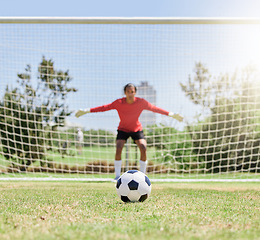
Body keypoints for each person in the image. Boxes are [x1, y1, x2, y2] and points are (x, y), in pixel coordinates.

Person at [75, 83, 183, 180]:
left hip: (136, 129)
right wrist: (86, 111)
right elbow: (104, 107)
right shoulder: (119, 102)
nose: (130, 93)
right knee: (118, 147)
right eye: (128, 91)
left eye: (132, 91)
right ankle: (117, 176)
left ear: (135, 92)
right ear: (125, 93)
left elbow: (155, 109)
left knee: (143, 147)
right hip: (123, 129)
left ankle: (143, 175)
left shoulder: (141, 102)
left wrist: (172, 114)